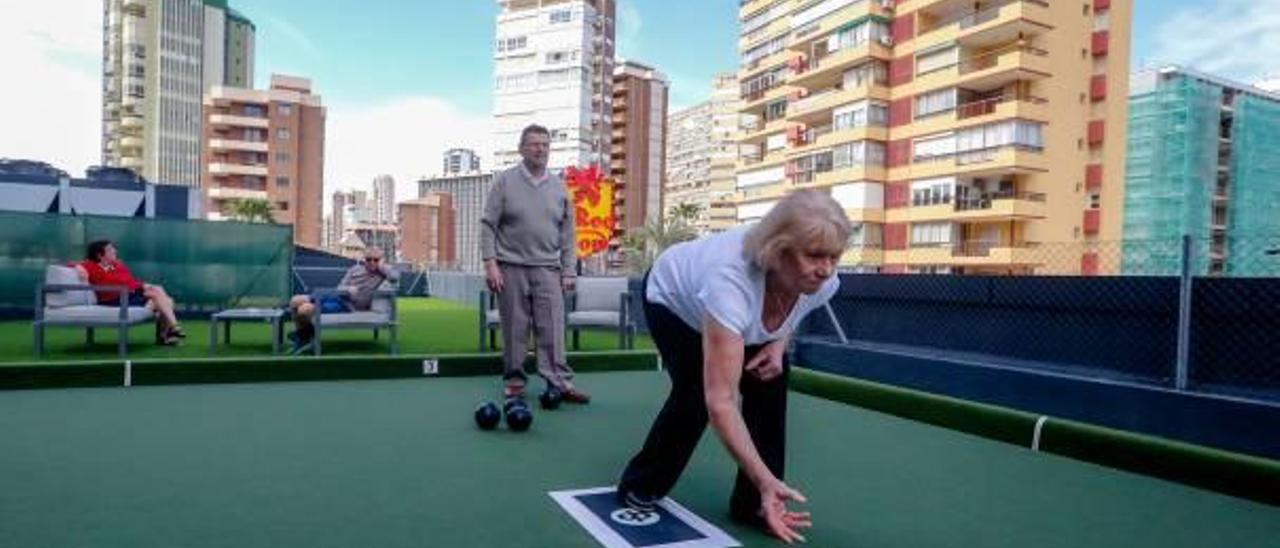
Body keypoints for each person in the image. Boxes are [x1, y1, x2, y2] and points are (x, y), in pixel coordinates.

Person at [615, 189, 852, 544]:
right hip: (673, 299)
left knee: (770, 379)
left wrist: (777, 343)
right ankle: (641, 483)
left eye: (834, 256)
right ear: (778, 251)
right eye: (815, 255)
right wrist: (765, 477)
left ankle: (755, 504)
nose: (826, 269)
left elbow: (792, 309)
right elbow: (722, 401)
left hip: (738, 308)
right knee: (696, 393)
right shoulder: (730, 281)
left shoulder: (822, 281)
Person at [480, 124, 589, 405]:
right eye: (534, 144)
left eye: (545, 144)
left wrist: (568, 270)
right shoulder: (504, 181)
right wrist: (490, 264)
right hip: (510, 267)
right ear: (521, 148)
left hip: (547, 268)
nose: (540, 149)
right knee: (515, 328)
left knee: (552, 328)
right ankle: (515, 382)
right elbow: (488, 225)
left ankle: (560, 382)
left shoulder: (559, 186)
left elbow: (567, 233)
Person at [288, 246, 398, 353]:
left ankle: (302, 337)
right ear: (364, 260)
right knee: (295, 301)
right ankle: (303, 336)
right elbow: (339, 287)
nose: (372, 262)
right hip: (336, 296)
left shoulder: (382, 273)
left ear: (381, 261)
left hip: (347, 306)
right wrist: (347, 288)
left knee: (304, 309)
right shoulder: (354, 270)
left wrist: (382, 266)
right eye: (369, 259)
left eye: (376, 260)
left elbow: (395, 277)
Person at [77, 239, 185, 345]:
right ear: (100, 255)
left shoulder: (118, 266)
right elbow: (68, 265)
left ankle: (170, 331)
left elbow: (130, 282)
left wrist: (144, 285)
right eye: (110, 250)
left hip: (129, 296)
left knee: (163, 297)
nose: (115, 251)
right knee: (162, 299)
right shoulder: (90, 266)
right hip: (113, 300)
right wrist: (79, 267)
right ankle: (170, 330)